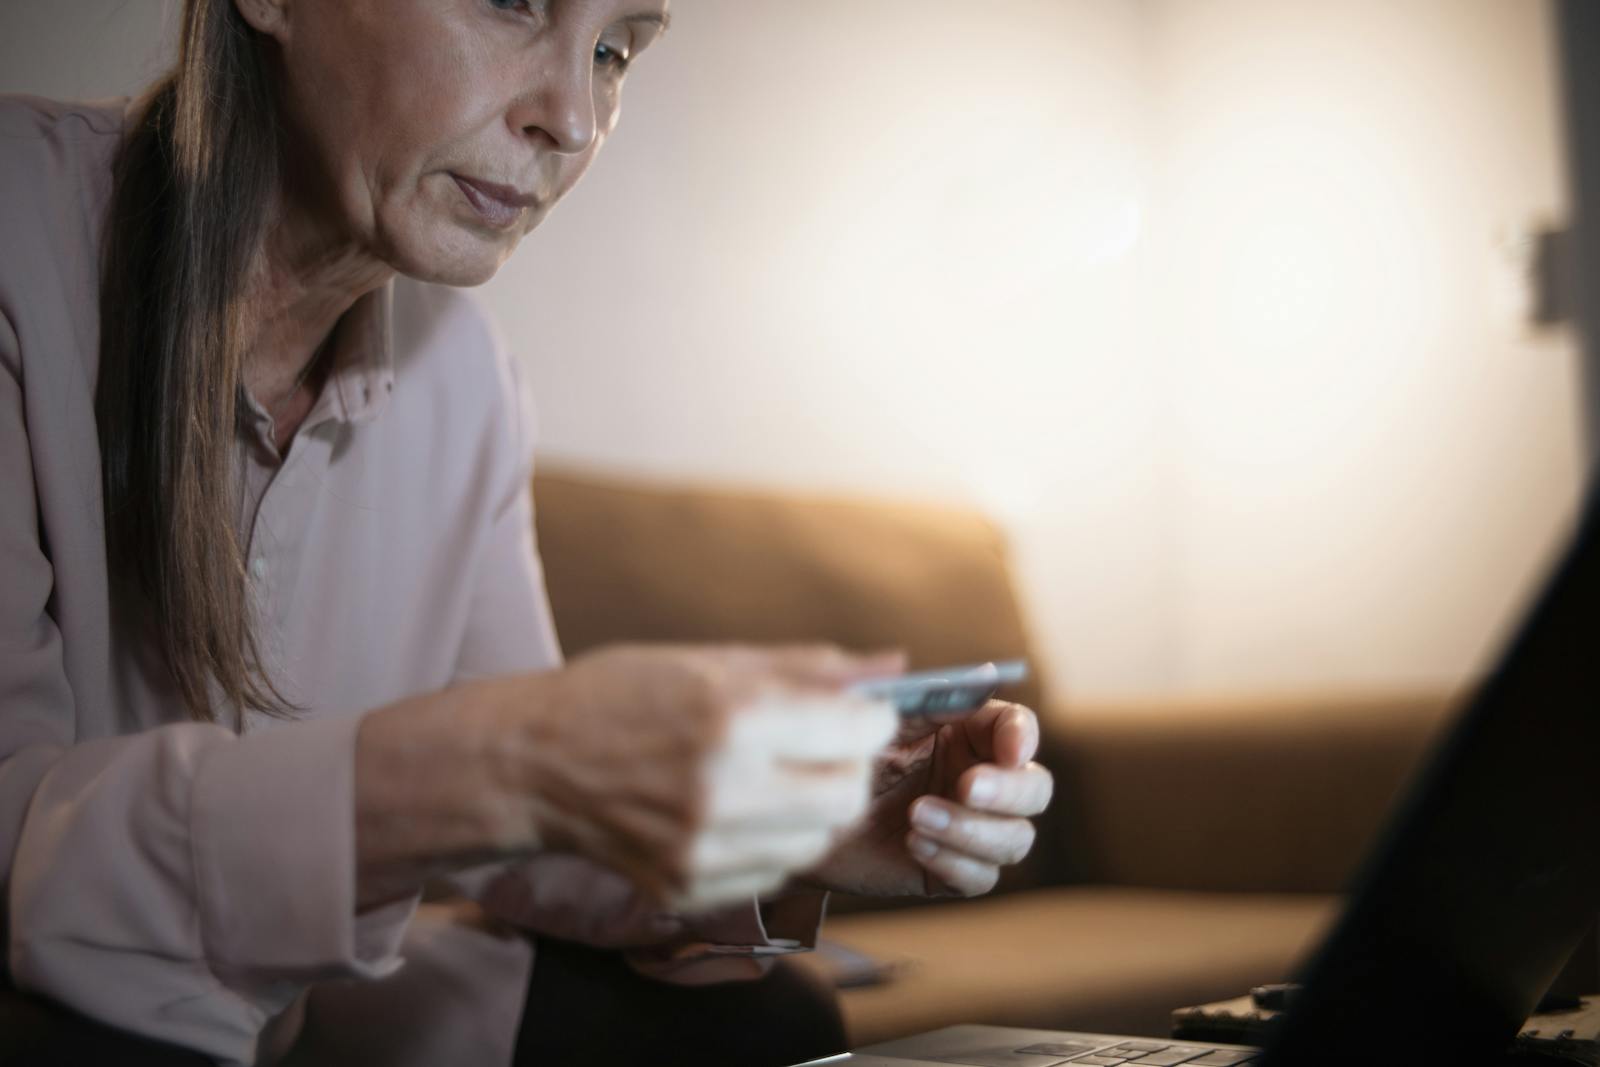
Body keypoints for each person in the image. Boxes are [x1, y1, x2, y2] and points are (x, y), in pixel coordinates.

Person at [0, 1, 1055, 1064]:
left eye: (612, 51)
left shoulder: (466, 379)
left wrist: (784, 829)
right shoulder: (16, 225)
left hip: (285, 1022)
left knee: (765, 1020)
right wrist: (492, 761)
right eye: (511, 1)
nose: (573, 119)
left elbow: (533, 843)